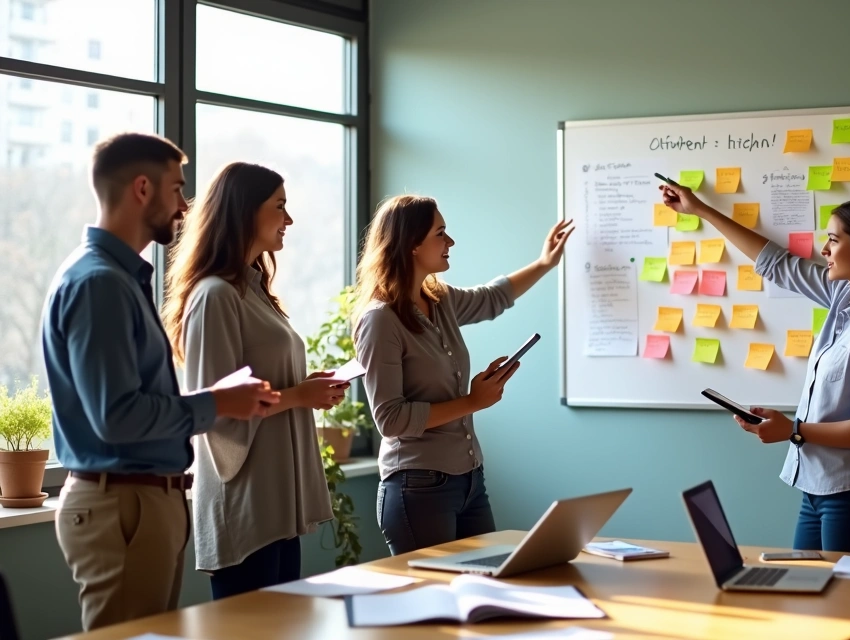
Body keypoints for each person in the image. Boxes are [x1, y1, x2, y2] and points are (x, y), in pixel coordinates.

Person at [40, 133, 279, 631]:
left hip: (140, 503)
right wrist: (216, 403)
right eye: (176, 189)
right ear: (142, 189)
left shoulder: (120, 279)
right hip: (122, 506)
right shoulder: (99, 283)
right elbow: (117, 416)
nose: (184, 205)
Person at [660, 184, 850, 554]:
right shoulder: (844, 296)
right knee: (807, 601)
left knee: (846, 608)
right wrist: (701, 210)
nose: (824, 249)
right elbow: (778, 265)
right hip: (816, 487)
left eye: (833, 240)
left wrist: (794, 430)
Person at [162, 162, 345, 599]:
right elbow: (216, 409)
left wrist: (304, 388)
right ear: (246, 212)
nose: (289, 219)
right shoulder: (215, 296)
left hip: (276, 504)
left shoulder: (254, 288)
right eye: (280, 206)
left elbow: (259, 382)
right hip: (247, 508)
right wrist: (299, 394)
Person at [352, 195, 572, 555]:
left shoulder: (440, 300)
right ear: (411, 244)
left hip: (470, 479)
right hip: (418, 486)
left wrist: (545, 263)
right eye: (441, 233)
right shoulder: (380, 320)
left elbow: (491, 298)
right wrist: (471, 402)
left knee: (488, 585)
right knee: (437, 604)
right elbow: (391, 420)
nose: (450, 242)